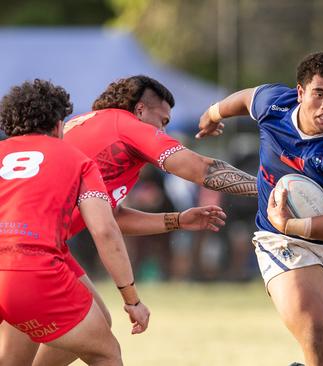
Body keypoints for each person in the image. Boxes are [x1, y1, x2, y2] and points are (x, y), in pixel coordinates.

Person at [0, 75, 256, 366]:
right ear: (139, 111)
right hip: (36, 255)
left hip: (31, 248)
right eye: (162, 121)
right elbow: (200, 169)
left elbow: (111, 216)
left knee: (75, 330)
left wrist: (177, 220)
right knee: (105, 351)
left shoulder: (93, 129)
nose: (164, 131)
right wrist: (267, 187)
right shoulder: (123, 127)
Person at [197, 51, 323, 366]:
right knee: (319, 342)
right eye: (319, 94)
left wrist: (292, 223)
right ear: (300, 93)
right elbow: (245, 98)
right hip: (282, 241)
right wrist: (213, 114)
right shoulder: (275, 105)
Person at [0, 79, 149, 365]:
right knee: (106, 353)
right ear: (58, 125)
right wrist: (132, 300)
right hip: (31, 269)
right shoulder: (77, 159)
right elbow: (105, 230)